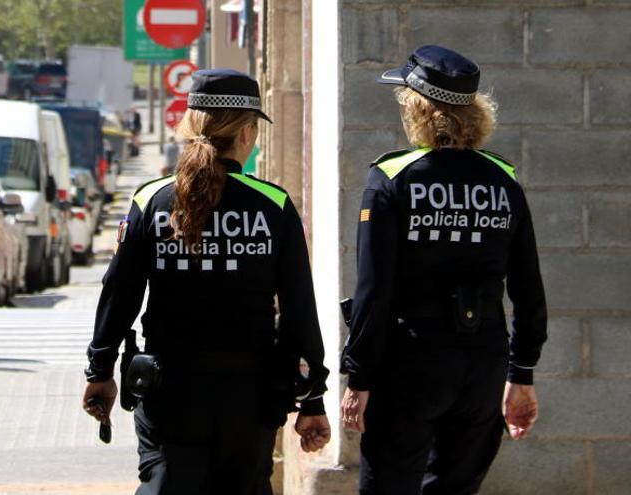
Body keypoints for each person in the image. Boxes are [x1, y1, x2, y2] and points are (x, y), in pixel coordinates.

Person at [83, 69, 332, 495]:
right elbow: (299, 310)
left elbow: (119, 294)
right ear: (248, 132)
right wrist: (312, 399)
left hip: (170, 392)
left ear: (191, 124)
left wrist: (100, 370)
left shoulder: (152, 200)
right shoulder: (273, 206)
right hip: (250, 395)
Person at [339, 45, 548, 494]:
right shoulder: (503, 178)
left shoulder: (392, 177)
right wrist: (521, 374)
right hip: (482, 365)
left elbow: (373, 290)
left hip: (410, 363)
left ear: (418, 109)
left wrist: (359, 377)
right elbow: (529, 288)